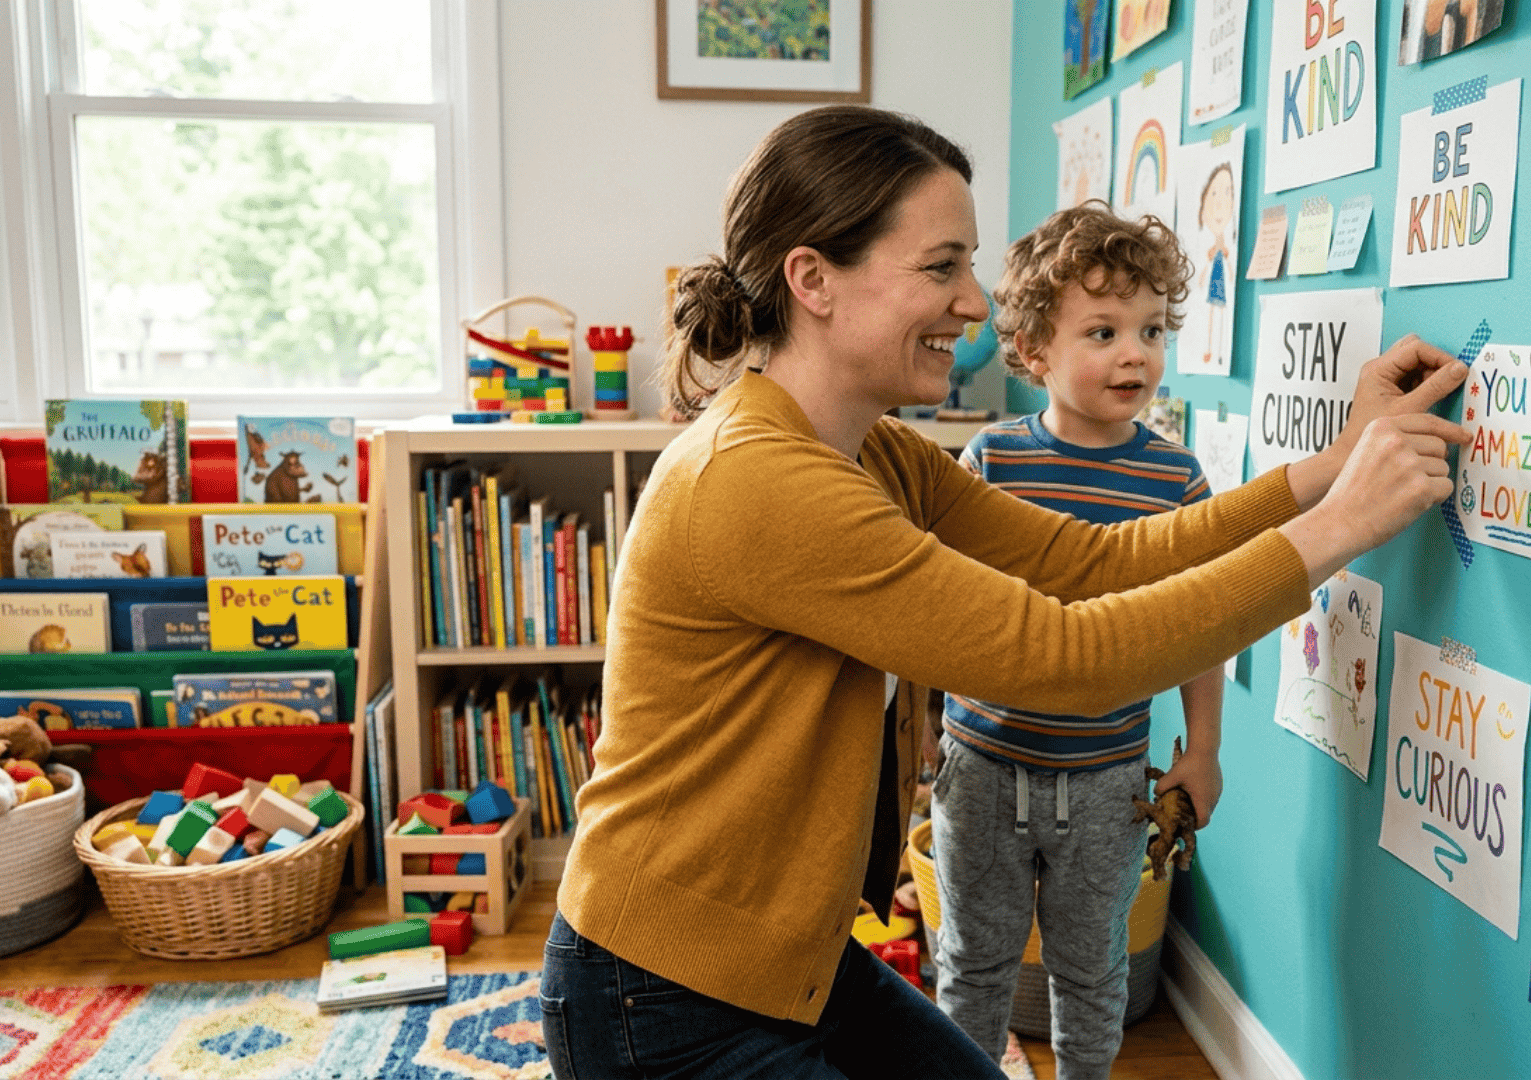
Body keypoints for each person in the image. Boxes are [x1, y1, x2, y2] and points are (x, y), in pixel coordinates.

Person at [538, 105, 1468, 1080]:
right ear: (812, 280)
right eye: (942, 267)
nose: (977, 301)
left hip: (781, 965)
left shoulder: (873, 452)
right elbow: (1064, 656)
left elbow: (1091, 562)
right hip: (660, 994)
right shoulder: (760, 478)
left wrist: (1331, 470)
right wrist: (1344, 526)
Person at [929, 202, 1221, 1078]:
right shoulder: (991, 462)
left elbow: (1207, 624)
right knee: (972, 970)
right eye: (1102, 330)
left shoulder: (1179, 479)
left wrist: (1202, 749)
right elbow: (939, 603)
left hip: (1105, 779)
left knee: (1091, 971)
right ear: (1031, 352)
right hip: (982, 765)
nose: (1135, 353)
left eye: (1150, 330)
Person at [1197, 164, 1234, 369]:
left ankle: (1219, 350)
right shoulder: (1212, 249)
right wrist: (1202, 277)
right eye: (1214, 194)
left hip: (1220, 283)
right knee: (1213, 312)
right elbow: (1206, 265)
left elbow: (1228, 264)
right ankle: (1210, 348)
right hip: (1213, 283)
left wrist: (1230, 274)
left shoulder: (1224, 249)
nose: (1220, 203)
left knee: (1220, 312)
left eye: (1227, 193)